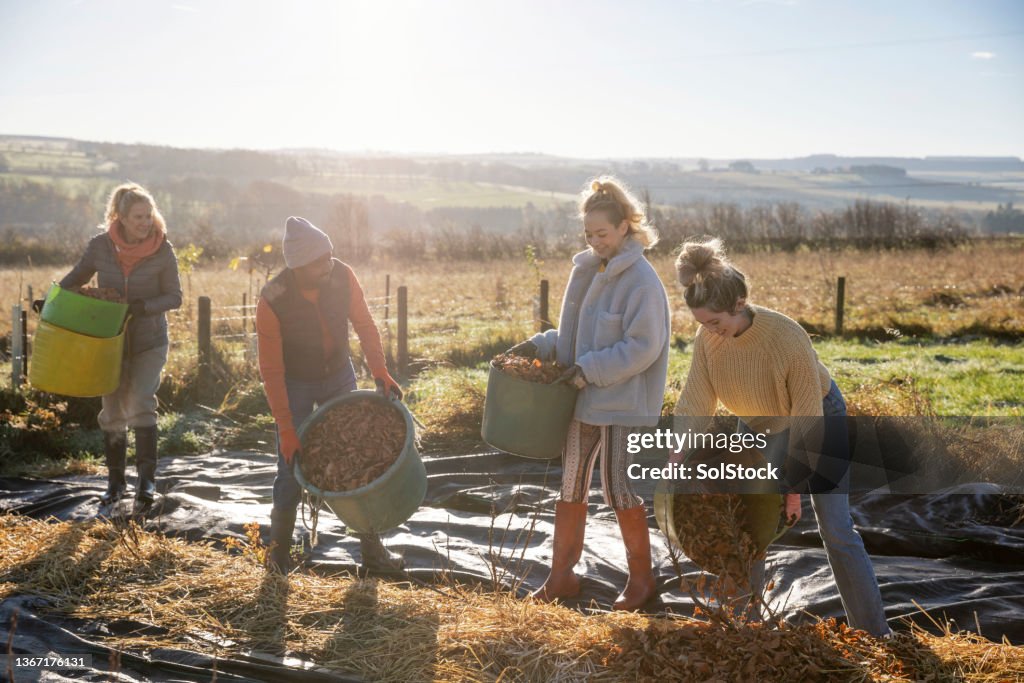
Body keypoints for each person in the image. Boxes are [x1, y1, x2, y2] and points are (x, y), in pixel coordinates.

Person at [672, 237, 891, 637]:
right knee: (747, 524)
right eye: (703, 324)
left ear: (739, 304)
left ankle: (875, 633)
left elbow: (807, 418)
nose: (710, 332)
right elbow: (696, 400)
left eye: (715, 322)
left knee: (835, 529)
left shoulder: (787, 337)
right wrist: (678, 449)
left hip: (817, 417)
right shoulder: (709, 340)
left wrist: (791, 486)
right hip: (757, 423)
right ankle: (745, 627)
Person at [507, 177, 670, 610]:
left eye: (602, 233)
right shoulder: (585, 270)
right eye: (588, 235)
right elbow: (575, 335)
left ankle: (642, 580)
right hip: (581, 397)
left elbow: (644, 346)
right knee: (571, 483)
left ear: (624, 227)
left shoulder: (641, 280)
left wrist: (589, 369)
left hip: (621, 401)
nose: (595, 242)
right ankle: (561, 576)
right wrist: (542, 345)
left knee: (618, 487)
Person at [256, 216, 405, 573]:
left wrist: (380, 371)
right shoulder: (273, 299)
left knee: (355, 457)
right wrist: (287, 429)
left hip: (338, 373)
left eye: (329, 256)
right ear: (297, 267)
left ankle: (373, 554)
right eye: (318, 262)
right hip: (294, 381)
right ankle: (278, 558)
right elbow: (271, 371)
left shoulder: (342, 275)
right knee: (289, 468)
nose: (328, 265)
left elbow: (365, 324)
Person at [45, 183, 182, 513]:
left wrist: (142, 307)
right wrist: (52, 302)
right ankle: (116, 483)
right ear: (120, 217)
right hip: (109, 342)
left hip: (149, 341)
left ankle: (146, 484)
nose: (145, 222)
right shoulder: (100, 247)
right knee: (112, 411)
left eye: (148, 215)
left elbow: (174, 297)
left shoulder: (162, 249)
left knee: (141, 401)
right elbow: (75, 279)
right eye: (138, 217)